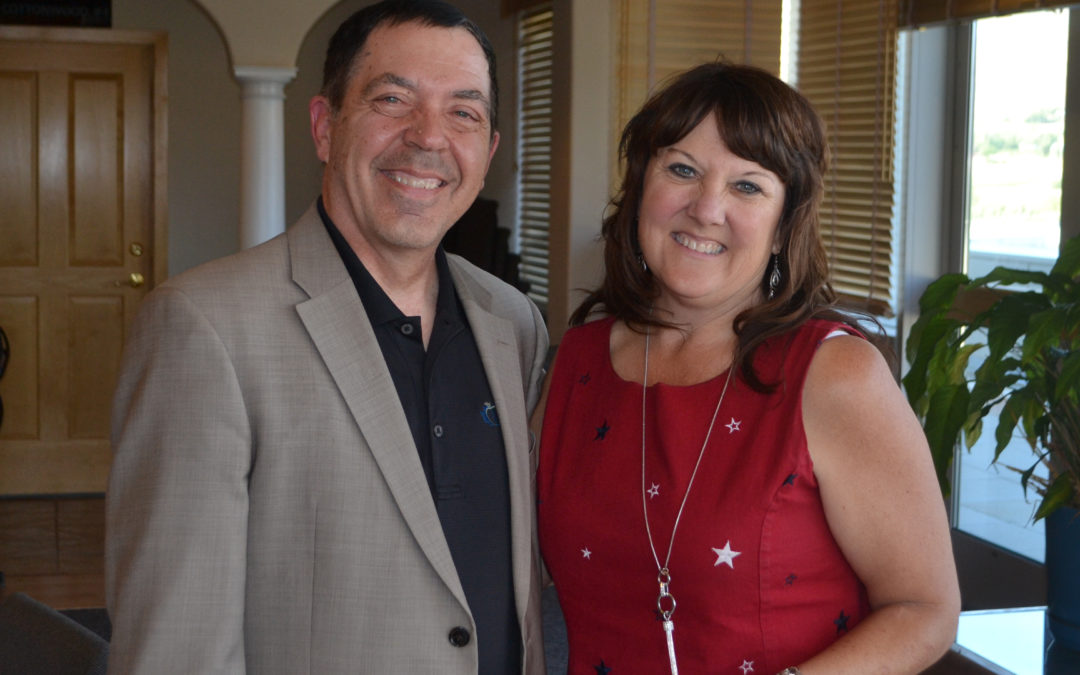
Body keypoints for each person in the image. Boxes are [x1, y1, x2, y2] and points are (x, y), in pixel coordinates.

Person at [106, 2, 548, 673]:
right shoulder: (205, 328)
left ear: (486, 153)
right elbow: (178, 644)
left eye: (464, 111)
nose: (429, 138)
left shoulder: (513, 323)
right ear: (324, 126)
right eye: (394, 99)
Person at [535, 62, 960, 674]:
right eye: (682, 169)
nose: (707, 209)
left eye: (748, 186)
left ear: (785, 225)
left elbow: (924, 609)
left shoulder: (835, 373)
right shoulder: (576, 361)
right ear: (639, 190)